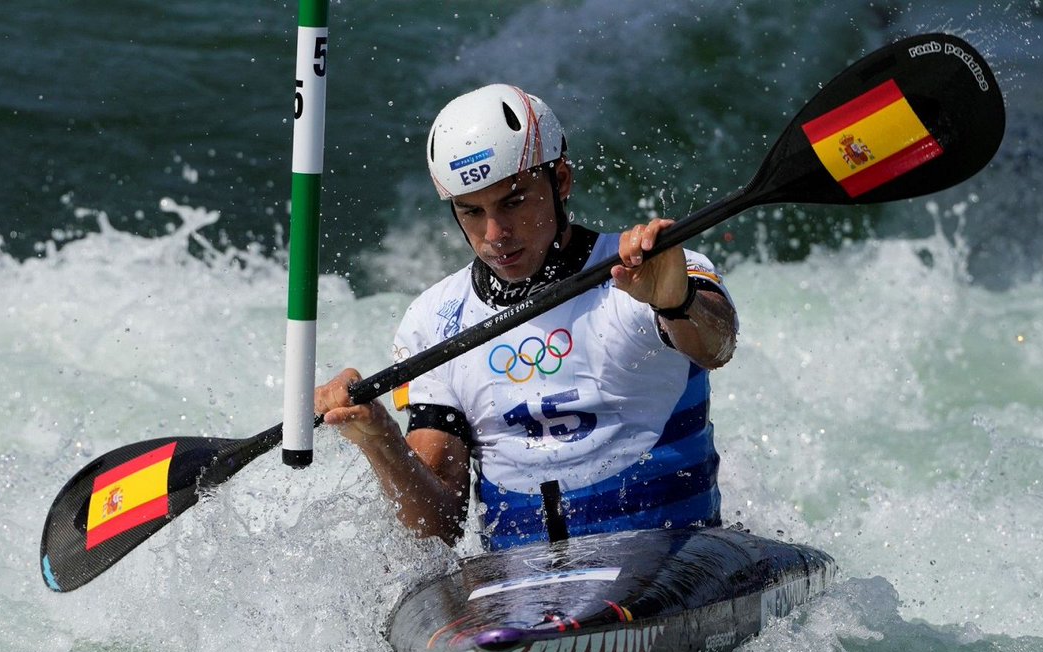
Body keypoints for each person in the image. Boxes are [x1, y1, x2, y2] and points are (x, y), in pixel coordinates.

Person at [314, 84, 738, 551]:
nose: (495, 234)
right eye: (471, 211)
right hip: (519, 590)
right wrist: (380, 441)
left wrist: (675, 301)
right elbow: (440, 529)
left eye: (513, 202)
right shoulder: (433, 320)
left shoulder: (651, 268)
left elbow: (716, 345)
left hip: (673, 558)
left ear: (560, 181)